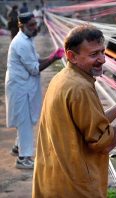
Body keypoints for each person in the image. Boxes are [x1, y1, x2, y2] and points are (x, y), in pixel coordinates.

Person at [32, 25, 116, 197]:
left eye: (102, 52)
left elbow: (90, 125)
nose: (102, 60)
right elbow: (105, 143)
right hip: (74, 187)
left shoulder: (64, 78)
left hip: (54, 180)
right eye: (94, 54)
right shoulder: (80, 88)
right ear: (72, 56)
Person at [5, 12, 64, 169]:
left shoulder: (27, 39)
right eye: (31, 25)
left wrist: (52, 56)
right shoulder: (21, 43)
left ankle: (18, 147)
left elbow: (35, 60)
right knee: (24, 121)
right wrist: (53, 59)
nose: (34, 27)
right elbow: (34, 69)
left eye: (34, 24)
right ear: (22, 26)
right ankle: (23, 158)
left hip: (24, 85)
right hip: (20, 87)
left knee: (26, 119)